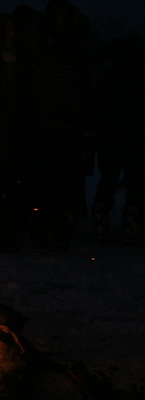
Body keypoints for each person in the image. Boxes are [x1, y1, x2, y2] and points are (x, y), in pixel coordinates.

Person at [23, 0, 92, 249]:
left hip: (68, 124)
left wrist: (84, 121)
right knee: (45, 178)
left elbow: (84, 84)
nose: (62, 20)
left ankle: (62, 225)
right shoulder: (42, 43)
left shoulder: (77, 43)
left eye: (66, 15)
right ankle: (42, 224)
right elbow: (34, 82)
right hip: (45, 123)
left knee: (66, 179)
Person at [90, 36, 145, 245]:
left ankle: (102, 216)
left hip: (112, 138)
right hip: (133, 138)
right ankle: (132, 220)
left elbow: (99, 107)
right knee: (136, 181)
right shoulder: (139, 79)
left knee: (109, 179)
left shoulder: (109, 77)